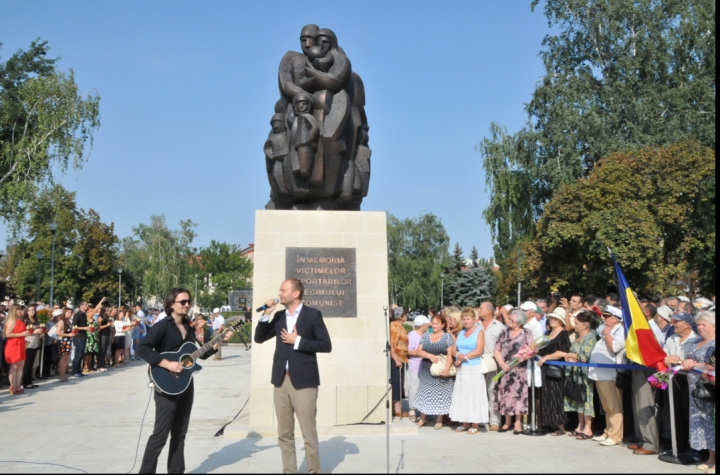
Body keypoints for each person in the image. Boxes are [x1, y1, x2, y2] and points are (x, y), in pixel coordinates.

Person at [137, 287, 228, 474]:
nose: (187, 305)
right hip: (166, 385)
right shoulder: (162, 326)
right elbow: (143, 348)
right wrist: (166, 364)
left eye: (189, 302)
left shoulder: (188, 326)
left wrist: (219, 340)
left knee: (180, 433)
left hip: (185, 384)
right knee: (160, 435)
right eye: (183, 302)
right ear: (171, 304)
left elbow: (199, 355)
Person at [254, 279, 332, 474]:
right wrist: (266, 314)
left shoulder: (313, 315)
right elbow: (259, 338)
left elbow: (325, 345)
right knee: (284, 433)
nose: (279, 294)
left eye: (283, 290)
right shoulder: (279, 316)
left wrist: (297, 340)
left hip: (304, 382)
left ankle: (313, 470)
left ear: (295, 293)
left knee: (308, 433)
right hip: (281, 380)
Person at [659, 311, 700, 459]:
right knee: (674, 413)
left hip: (689, 381)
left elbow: (695, 362)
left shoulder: (696, 340)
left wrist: (680, 361)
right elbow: (664, 358)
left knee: (689, 414)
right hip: (672, 378)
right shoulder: (672, 338)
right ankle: (678, 446)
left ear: (687, 324)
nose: (673, 324)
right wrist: (668, 359)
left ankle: (696, 448)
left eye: (677, 322)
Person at [681, 311, 715, 472]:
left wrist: (693, 365)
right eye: (698, 324)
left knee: (710, 423)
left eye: (704, 325)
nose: (700, 327)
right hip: (694, 389)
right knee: (702, 424)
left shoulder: (714, 344)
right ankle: (710, 458)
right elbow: (690, 360)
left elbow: (711, 366)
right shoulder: (696, 342)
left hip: (709, 388)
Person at [589, 305, 626, 446]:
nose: (603, 318)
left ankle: (616, 435)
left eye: (607, 316)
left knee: (614, 406)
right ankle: (608, 431)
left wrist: (606, 334)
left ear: (615, 319)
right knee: (606, 407)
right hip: (600, 374)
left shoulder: (620, 331)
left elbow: (615, 347)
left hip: (611, 374)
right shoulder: (608, 329)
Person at [494, 309, 533, 434]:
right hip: (505, 370)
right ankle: (507, 422)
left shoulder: (527, 332)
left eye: (512, 320)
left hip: (519, 370)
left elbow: (532, 349)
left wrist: (526, 356)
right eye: (509, 319)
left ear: (520, 322)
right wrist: (502, 364)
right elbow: (497, 349)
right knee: (505, 395)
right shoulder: (504, 332)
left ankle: (517, 423)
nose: (509, 321)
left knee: (518, 396)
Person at [449, 307, 488, 434]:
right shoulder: (460, 333)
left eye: (468, 319)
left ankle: (475, 423)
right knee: (463, 394)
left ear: (474, 320)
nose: (466, 321)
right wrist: (457, 356)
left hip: (473, 367)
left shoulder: (479, 332)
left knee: (474, 395)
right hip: (462, 369)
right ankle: (464, 421)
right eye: (464, 319)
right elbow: (454, 349)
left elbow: (479, 350)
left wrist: (464, 358)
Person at [413, 313, 455, 429]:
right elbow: (418, 351)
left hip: (442, 369)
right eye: (433, 323)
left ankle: (439, 419)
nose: (434, 326)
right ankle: (423, 418)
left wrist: (447, 369)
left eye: (437, 323)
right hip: (427, 370)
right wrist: (429, 355)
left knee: (441, 395)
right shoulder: (426, 336)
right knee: (425, 394)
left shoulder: (447, 337)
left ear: (443, 325)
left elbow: (450, 355)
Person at [563, 310, 599, 440]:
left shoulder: (590, 337)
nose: (575, 325)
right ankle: (580, 425)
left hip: (584, 375)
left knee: (586, 399)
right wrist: (569, 357)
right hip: (575, 374)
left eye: (577, 323)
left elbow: (585, 356)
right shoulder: (579, 337)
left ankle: (588, 428)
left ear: (586, 324)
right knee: (578, 399)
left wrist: (571, 355)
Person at [537, 308, 571, 435]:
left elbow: (563, 351)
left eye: (555, 318)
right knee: (546, 396)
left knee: (556, 396)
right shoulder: (547, 334)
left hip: (556, 370)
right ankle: (549, 423)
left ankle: (560, 425)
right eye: (551, 318)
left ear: (561, 321)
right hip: (544, 369)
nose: (552, 320)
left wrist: (547, 357)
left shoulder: (563, 334)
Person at [477, 301, 505, 431]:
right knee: (479, 392)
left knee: (492, 391)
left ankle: (495, 421)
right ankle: (481, 419)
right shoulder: (476, 325)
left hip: (493, 364)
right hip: (477, 363)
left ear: (488, 311)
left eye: (480, 308)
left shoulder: (499, 327)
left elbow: (504, 347)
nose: (478, 310)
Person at [3, 305, 30, 394]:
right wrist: (22, 333)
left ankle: (18, 385)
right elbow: (8, 334)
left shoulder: (19, 321)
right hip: (14, 345)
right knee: (14, 366)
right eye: (18, 310)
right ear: (14, 311)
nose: (20, 311)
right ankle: (13, 386)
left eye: (20, 310)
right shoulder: (11, 321)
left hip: (20, 344)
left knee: (21, 365)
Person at [407, 315, 429, 423]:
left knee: (423, 389)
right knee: (414, 387)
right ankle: (412, 409)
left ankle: (423, 412)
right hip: (415, 365)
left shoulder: (426, 335)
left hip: (425, 366)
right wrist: (421, 353)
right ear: (421, 325)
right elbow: (409, 350)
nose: (428, 326)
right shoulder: (412, 335)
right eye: (426, 324)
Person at [389, 306, 409, 417]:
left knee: (400, 384)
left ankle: (398, 407)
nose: (407, 315)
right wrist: (396, 359)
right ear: (400, 316)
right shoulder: (395, 326)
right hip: (396, 360)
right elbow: (392, 345)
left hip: (402, 358)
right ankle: (396, 409)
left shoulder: (401, 326)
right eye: (405, 313)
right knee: (397, 383)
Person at [21, 305, 41, 389]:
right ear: (26, 311)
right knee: (27, 364)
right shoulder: (25, 320)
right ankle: (25, 382)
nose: (32, 311)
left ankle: (29, 381)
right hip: (28, 343)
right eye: (30, 310)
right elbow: (25, 332)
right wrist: (36, 332)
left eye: (33, 310)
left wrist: (41, 333)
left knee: (31, 363)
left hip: (35, 342)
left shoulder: (36, 320)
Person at [70, 301, 91, 377]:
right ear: (81, 306)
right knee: (78, 355)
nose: (87, 305)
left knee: (81, 355)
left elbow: (84, 325)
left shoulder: (84, 315)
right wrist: (84, 328)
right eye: (85, 304)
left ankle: (79, 370)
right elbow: (74, 326)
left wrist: (88, 327)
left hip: (83, 335)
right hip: (78, 336)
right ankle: (74, 371)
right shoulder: (77, 315)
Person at [55, 308, 74, 382]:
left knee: (66, 358)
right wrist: (68, 335)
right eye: (68, 312)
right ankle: (61, 375)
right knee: (63, 358)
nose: (70, 314)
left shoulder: (68, 321)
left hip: (68, 341)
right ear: (64, 313)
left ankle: (63, 374)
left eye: (70, 312)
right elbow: (58, 332)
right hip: (63, 341)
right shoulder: (61, 321)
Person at [96, 306, 112, 372]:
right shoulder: (100, 317)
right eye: (107, 310)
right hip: (103, 334)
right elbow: (99, 327)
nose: (108, 311)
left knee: (105, 350)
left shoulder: (107, 317)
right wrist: (107, 325)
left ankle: (103, 364)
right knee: (102, 350)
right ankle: (100, 365)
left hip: (107, 334)